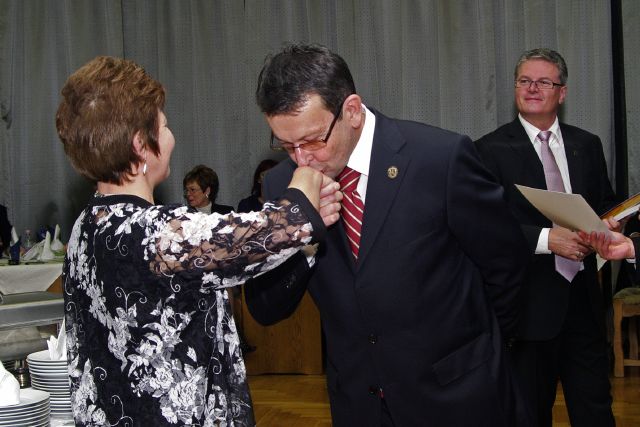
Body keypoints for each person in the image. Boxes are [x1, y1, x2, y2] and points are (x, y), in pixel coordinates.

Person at [245, 43, 531, 426]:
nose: (301, 158)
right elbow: (265, 307)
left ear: (352, 111)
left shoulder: (439, 158)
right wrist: (302, 234)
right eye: (286, 145)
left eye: (312, 141)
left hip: (457, 396)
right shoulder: (284, 185)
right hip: (360, 405)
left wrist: (483, 350)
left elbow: (506, 265)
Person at [55, 55, 341, 426]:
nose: (171, 136)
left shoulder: (85, 226)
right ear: (141, 145)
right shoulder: (157, 232)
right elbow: (268, 231)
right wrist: (302, 185)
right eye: (164, 125)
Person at [475, 48, 617, 427]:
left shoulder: (587, 144)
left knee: (595, 411)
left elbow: (604, 202)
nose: (532, 88)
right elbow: (483, 227)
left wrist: (611, 224)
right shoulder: (488, 150)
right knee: (529, 415)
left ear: (562, 92)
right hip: (526, 309)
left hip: (584, 303)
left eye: (543, 82)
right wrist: (545, 239)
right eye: (524, 81)